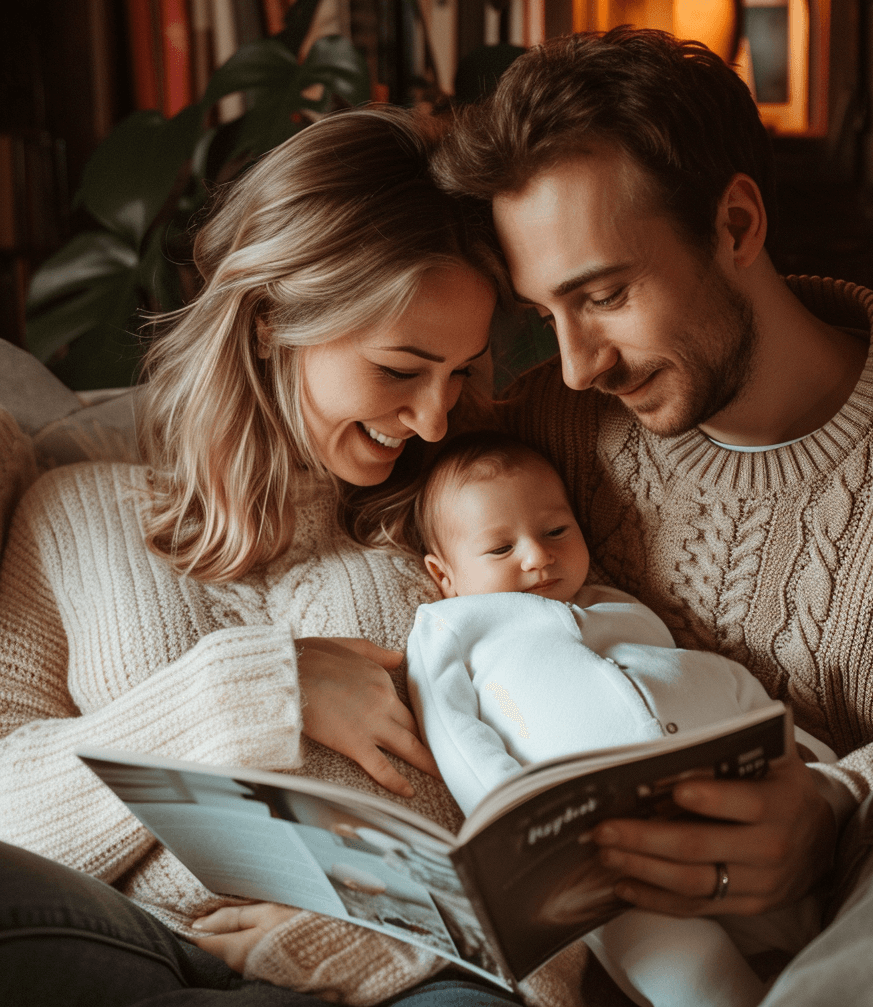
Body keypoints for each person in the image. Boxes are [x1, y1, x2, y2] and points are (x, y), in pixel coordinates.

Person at [430, 27, 873, 1005]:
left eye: (606, 295)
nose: (580, 364)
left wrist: (840, 802)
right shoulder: (546, 429)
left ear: (736, 223)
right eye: (547, 316)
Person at [0, 107, 586, 1007]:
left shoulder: (468, 529)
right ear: (271, 319)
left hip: (414, 978)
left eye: (460, 372)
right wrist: (262, 690)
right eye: (400, 369)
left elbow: (580, 824)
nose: (434, 419)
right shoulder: (70, 515)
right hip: (124, 953)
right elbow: (10, 821)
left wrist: (384, 939)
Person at [405, 429, 837, 1007]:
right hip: (602, 858)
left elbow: (699, 677)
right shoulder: (453, 627)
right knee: (689, 965)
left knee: (822, 923)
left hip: (725, 805)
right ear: (444, 576)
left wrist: (809, 759)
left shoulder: (618, 605)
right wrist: (517, 819)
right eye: (500, 549)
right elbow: (454, 733)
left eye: (556, 531)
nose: (538, 556)